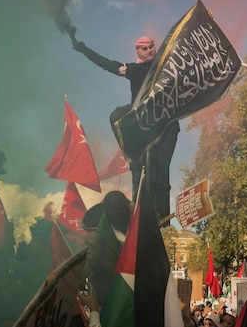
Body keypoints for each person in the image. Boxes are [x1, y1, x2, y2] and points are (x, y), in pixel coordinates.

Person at [70, 32, 178, 221]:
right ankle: (139, 211)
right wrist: (84, 50)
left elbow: (189, 48)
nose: (149, 50)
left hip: (166, 122)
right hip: (143, 120)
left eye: (151, 46)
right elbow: (107, 64)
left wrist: (206, 19)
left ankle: (161, 213)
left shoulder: (165, 65)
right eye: (144, 48)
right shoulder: (133, 70)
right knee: (137, 163)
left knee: (162, 168)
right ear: (138, 50)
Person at [82, 191, 132, 302]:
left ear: (126, 207)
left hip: (135, 298)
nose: (119, 216)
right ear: (107, 212)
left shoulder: (137, 225)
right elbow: (86, 265)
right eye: (114, 212)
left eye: (121, 210)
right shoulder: (96, 234)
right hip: (108, 301)